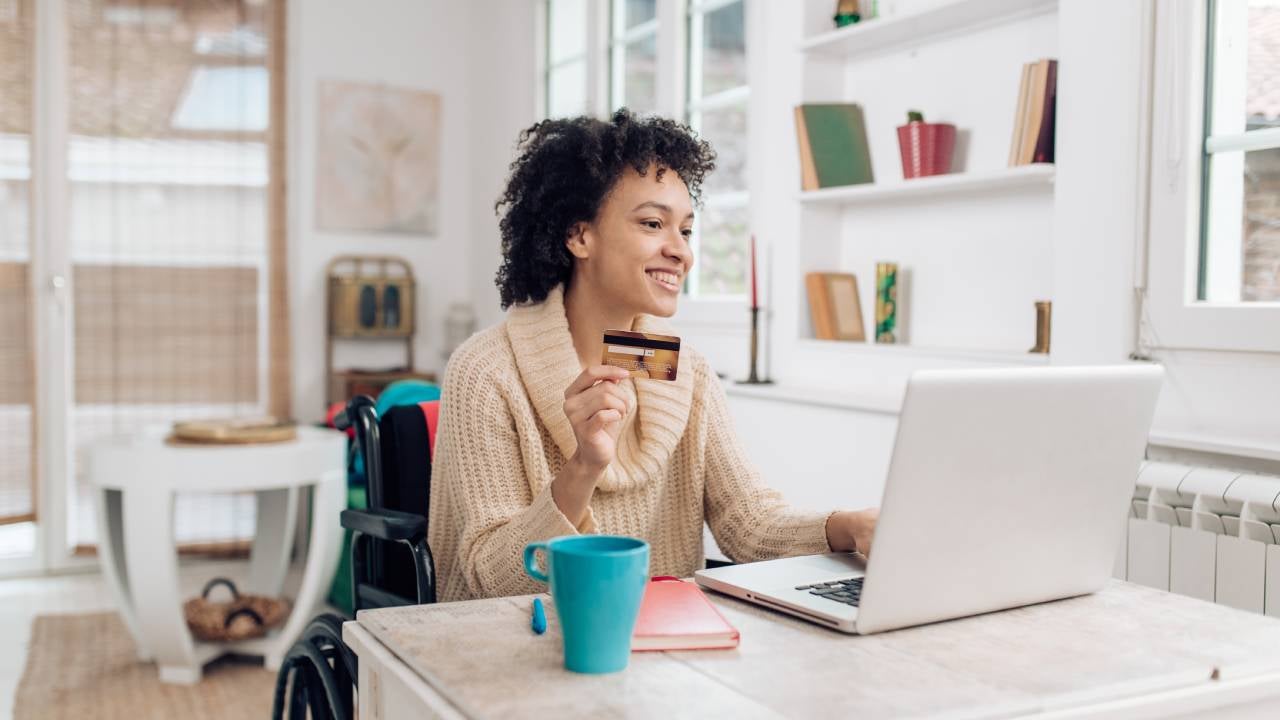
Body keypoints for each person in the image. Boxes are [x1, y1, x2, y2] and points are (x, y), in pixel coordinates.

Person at [428, 109, 878, 602]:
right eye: (652, 223)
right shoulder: (486, 371)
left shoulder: (687, 370)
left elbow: (748, 524)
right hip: (514, 646)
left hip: (660, 648)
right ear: (580, 236)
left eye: (685, 230)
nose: (681, 252)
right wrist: (583, 466)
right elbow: (491, 580)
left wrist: (850, 526)